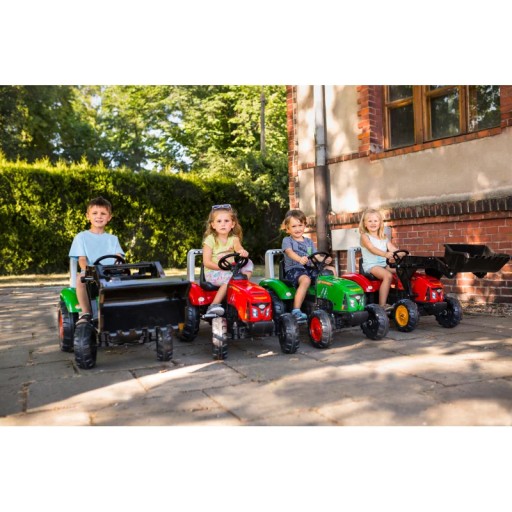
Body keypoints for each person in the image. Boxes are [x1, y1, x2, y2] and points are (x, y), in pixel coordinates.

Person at [69, 196, 125, 324]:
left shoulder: (113, 239)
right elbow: (82, 260)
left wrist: (119, 268)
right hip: (91, 274)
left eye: (103, 213)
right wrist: (89, 270)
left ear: (109, 217)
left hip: (110, 273)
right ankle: (86, 313)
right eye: (95, 213)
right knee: (80, 279)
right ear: (87, 216)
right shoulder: (81, 237)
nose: (99, 216)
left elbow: (119, 258)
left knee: (127, 279)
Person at [281, 209, 335, 322]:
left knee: (330, 271)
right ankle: (296, 311)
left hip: (309, 269)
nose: (298, 229)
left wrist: (325, 259)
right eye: (294, 226)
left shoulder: (309, 242)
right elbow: (289, 252)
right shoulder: (287, 240)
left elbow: (315, 256)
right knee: (306, 280)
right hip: (294, 270)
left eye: (300, 225)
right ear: (287, 228)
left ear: (304, 225)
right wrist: (299, 259)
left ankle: (330, 303)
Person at [202, 204, 254, 316]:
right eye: (219, 221)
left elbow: (239, 248)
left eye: (226, 221)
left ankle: (243, 283)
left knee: (249, 263)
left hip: (230, 270)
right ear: (213, 225)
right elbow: (206, 262)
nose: (223, 224)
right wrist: (221, 268)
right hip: (214, 272)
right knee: (230, 280)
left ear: (232, 224)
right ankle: (214, 305)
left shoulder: (234, 239)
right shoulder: (210, 240)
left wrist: (242, 252)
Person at [359, 208, 399, 310]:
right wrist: (385, 254)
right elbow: (372, 248)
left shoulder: (383, 237)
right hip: (372, 265)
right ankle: (382, 305)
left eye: (375, 221)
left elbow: (393, 249)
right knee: (388, 276)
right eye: (370, 221)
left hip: (384, 264)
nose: (373, 223)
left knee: (401, 270)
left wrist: (403, 253)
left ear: (380, 223)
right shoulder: (365, 237)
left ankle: (400, 297)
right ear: (365, 224)